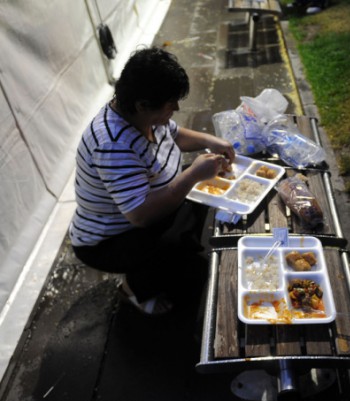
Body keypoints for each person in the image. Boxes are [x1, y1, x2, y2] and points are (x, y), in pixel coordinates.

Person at [69, 47, 235, 315]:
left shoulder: (141, 115)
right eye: (171, 104)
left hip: (142, 213)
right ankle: (132, 289)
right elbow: (140, 215)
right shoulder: (113, 144)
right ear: (142, 105)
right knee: (179, 243)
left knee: (197, 205)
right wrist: (192, 175)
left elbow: (175, 134)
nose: (177, 109)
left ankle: (164, 267)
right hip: (109, 239)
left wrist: (211, 141)